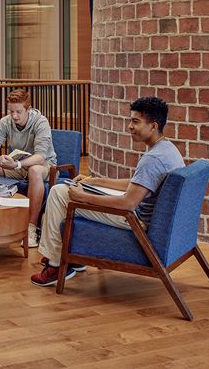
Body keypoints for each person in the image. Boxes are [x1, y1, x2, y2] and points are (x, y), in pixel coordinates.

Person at [30, 96, 184, 287]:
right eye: (131, 120)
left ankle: (55, 264)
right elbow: (137, 183)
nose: (129, 126)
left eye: (135, 121)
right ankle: (72, 256)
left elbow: (128, 204)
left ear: (153, 126)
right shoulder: (168, 149)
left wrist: (83, 197)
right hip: (142, 213)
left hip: (134, 219)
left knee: (58, 192)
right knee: (67, 190)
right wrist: (92, 180)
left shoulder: (152, 159)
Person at [0, 88, 56, 248]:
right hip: (17, 165)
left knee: (34, 170)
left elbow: (40, 157)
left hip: (44, 166)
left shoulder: (41, 122)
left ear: (28, 109)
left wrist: (17, 164)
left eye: (18, 111)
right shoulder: (6, 121)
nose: (14, 116)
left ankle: (32, 228)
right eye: (11, 111)